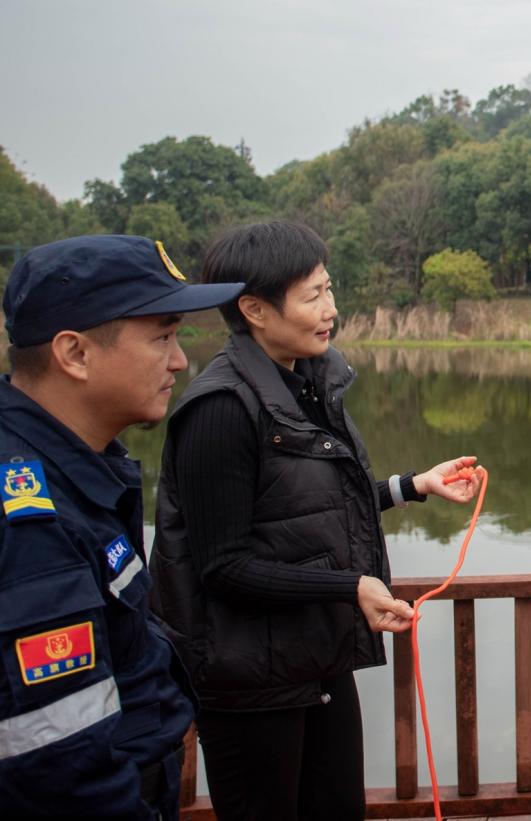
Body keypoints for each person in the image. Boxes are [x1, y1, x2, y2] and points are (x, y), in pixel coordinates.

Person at [147, 220, 480, 821]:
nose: (331, 309)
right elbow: (224, 566)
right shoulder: (220, 409)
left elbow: (305, 510)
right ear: (254, 309)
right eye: (313, 295)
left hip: (312, 662)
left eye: (330, 290)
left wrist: (412, 487)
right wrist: (349, 587)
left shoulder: (306, 383)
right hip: (249, 683)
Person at [0, 235, 244, 818]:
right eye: (162, 335)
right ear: (75, 354)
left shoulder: (73, 468)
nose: (181, 360)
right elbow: (62, 770)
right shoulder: (29, 523)